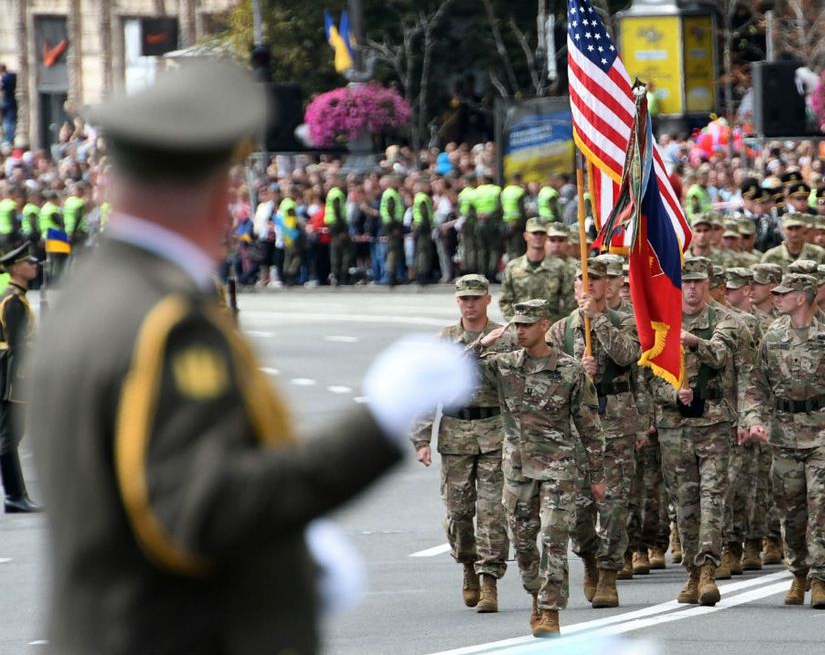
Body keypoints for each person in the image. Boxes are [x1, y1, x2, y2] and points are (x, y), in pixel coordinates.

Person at [29, 61, 476, 654]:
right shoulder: (161, 320)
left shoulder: (90, 299)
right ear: (219, 190)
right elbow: (200, 513)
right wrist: (376, 424)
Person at [471, 299, 605, 638]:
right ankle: (535, 594)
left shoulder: (569, 370)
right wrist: (480, 344)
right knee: (525, 544)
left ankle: (550, 611)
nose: (519, 331)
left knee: (554, 537)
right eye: (516, 325)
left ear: (544, 325)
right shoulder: (503, 366)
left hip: (559, 468)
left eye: (526, 325)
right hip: (517, 471)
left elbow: (589, 425)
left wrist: (597, 474)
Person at [742, 273, 825, 608]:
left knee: (822, 506)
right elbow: (755, 386)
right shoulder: (772, 337)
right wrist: (753, 420)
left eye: (784, 293)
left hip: (823, 432)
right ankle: (797, 574)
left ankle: (820, 579)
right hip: (783, 433)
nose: (776, 298)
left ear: (802, 298)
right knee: (791, 512)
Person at [413, 275, 513, 613]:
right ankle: (468, 564)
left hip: (494, 430)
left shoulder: (505, 337)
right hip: (455, 432)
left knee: (492, 512)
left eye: (475, 298)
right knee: (458, 514)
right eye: (463, 299)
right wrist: (421, 439)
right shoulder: (445, 340)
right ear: (457, 302)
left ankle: (489, 580)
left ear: (487, 299)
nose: (469, 304)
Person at [546, 257, 642, 608]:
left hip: (616, 425)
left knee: (614, 505)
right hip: (576, 431)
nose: (588, 286)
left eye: (596, 280)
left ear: (608, 286)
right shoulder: (561, 330)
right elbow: (548, 378)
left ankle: (608, 573)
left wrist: (598, 320)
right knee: (579, 512)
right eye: (582, 280)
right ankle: (588, 557)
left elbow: (628, 354)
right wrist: (576, 370)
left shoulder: (624, 321)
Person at [658, 257, 736, 606]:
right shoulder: (661, 322)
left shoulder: (722, 319)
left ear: (708, 285)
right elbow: (649, 375)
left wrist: (693, 342)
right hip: (675, 425)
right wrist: (672, 394)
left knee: (712, 497)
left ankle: (707, 570)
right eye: (685, 282)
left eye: (697, 282)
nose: (690, 288)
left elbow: (720, 355)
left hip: (713, 422)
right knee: (685, 503)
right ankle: (691, 570)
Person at [0, 243, 39, 513]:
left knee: (11, 435)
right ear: (16, 268)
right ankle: (14, 495)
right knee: (9, 435)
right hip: (12, 377)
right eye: (29, 263)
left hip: (12, 374)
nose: (34, 266)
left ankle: (17, 495)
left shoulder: (16, 297)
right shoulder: (13, 301)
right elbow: (16, 347)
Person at [500, 218, 574, 322]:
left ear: (546, 236)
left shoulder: (559, 267)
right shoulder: (513, 267)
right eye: (535, 233)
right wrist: (515, 323)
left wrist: (559, 327)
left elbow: (570, 302)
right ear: (526, 236)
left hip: (550, 329)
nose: (538, 237)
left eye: (542, 233)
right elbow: (505, 301)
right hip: (522, 328)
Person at [0, 64, 16, 145]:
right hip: (12, 100)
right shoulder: (13, 76)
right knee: (10, 121)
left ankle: (8, 140)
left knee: (8, 122)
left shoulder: (4, 78)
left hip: (7, 101)